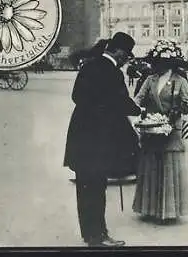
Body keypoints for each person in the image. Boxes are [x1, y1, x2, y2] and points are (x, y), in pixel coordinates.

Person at [63, 32, 142, 247]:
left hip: (80, 136)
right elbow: (122, 103)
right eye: (126, 55)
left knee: (84, 186)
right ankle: (99, 237)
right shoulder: (113, 73)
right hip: (99, 138)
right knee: (97, 187)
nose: (127, 59)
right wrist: (140, 111)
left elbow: (76, 97)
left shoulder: (88, 66)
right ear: (118, 52)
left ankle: (89, 234)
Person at [132, 39, 188, 224]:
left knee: (168, 166)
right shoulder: (150, 80)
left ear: (171, 63)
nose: (158, 65)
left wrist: (179, 111)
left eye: (162, 62)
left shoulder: (181, 81)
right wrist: (138, 114)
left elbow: (187, 105)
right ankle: (149, 209)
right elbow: (138, 99)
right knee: (151, 166)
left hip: (171, 131)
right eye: (156, 62)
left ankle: (168, 211)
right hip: (151, 129)